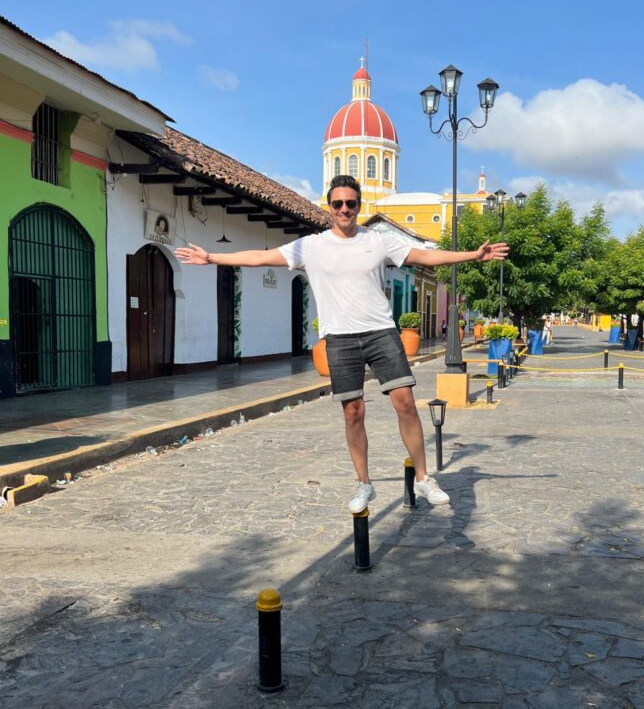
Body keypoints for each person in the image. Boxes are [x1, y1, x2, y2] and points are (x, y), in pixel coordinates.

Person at [176, 174, 509, 514]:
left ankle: (423, 478)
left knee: (405, 402)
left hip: (381, 332)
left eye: (351, 203)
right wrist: (213, 258)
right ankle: (364, 484)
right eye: (338, 204)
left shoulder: (378, 241)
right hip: (340, 338)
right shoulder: (311, 246)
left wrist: (473, 255)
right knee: (353, 412)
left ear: (359, 206)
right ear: (330, 207)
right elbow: (261, 257)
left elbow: (423, 257)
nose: (345, 209)